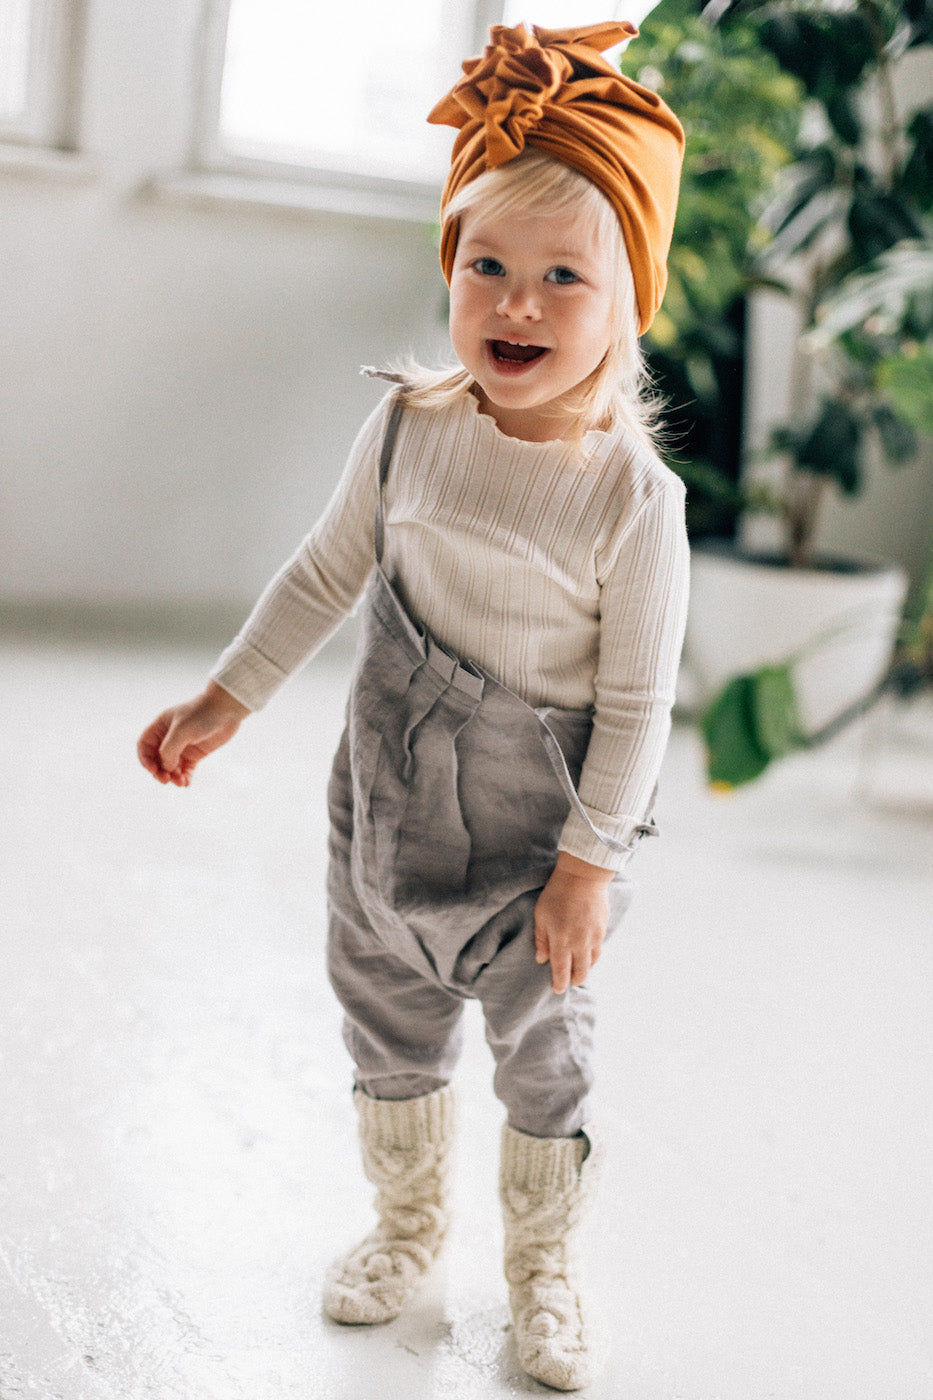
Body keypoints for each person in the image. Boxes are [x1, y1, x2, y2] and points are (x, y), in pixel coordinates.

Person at [137, 20, 686, 1392]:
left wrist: (583, 869)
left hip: (540, 823)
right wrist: (229, 695)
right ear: (448, 269)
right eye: (485, 264)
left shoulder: (636, 502)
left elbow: (635, 707)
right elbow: (327, 571)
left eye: (565, 277)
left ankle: (541, 1269)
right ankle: (401, 1224)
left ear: (627, 304)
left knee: (543, 1042)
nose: (516, 301)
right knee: (382, 1011)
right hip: (384, 789)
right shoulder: (408, 429)